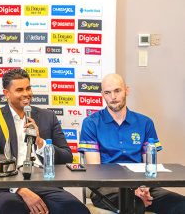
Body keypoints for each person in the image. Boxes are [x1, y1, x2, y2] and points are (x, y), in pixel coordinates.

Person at [0, 68, 90, 214]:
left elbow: (66, 156)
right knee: (11, 206)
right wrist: (21, 189)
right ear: (6, 94)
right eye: (19, 90)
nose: (26, 94)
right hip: (8, 186)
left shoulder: (48, 116)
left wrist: (40, 142)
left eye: (28, 88)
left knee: (76, 209)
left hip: (44, 182)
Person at [79, 73, 185, 214]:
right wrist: (130, 191)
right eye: (107, 92)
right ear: (102, 95)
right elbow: (96, 171)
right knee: (133, 205)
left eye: (117, 90)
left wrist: (144, 187)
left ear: (126, 90)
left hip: (142, 186)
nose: (113, 97)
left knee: (181, 204)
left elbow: (150, 166)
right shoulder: (91, 123)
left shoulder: (145, 123)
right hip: (106, 189)